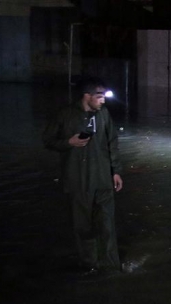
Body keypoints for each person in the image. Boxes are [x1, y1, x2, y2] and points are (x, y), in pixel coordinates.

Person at [42, 77, 124, 274]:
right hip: (77, 180)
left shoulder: (104, 114)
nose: (103, 100)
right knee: (83, 226)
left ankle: (111, 267)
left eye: (104, 96)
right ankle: (89, 265)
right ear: (86, 96)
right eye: (99, 96)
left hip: (103, 179)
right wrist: (68, 143)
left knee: (107, 224)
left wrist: (116, 171)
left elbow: (112, 142)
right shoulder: (65, 115)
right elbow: (48, 140)